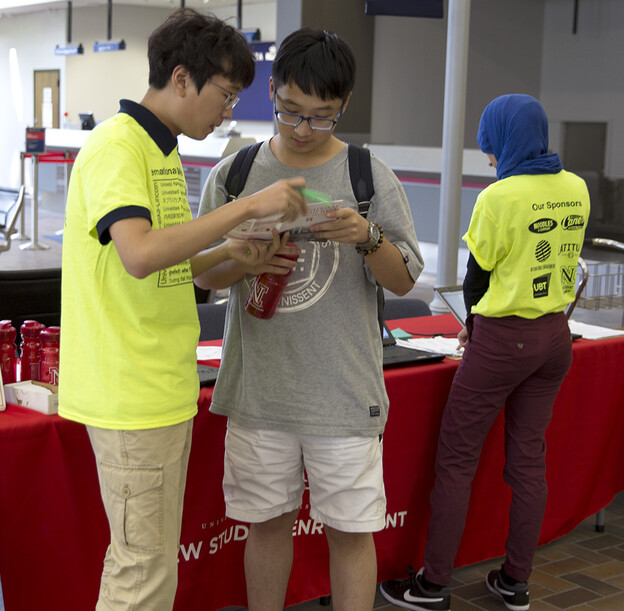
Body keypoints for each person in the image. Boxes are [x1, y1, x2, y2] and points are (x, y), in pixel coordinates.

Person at [57, 8, 309, 610]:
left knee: (149, 566)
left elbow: (170, 265)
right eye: (224, 96)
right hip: (130, 391)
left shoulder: (161, 151)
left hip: (159, 386)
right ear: (180, 78)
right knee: (140, 571)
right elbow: (140, 254)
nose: (228, 112)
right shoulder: (118, 147)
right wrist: (245, 211)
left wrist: (237, 257)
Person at [193, 29, 423, 611]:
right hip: (259, 393)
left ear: (343, 107)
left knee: (350, 533)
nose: (301, 129)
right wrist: (243, 256)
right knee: (266, 526)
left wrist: (366, 236)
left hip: (343, 397)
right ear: (271, 90)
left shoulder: (370, 177)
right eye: (290, 111)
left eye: (320, 117)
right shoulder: (236, 175)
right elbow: (202, 278)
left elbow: (402, 280)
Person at [379, 94, 590, 611]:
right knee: (528, 463)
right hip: (555, 339)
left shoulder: (500, 196)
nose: (489, 155)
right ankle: (515, 581)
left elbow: (477, 278)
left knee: (456, 461)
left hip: (502, 341)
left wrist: (474, 325)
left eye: (490, 144)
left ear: (502, 137)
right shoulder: (576, 186)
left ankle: (432, 585)